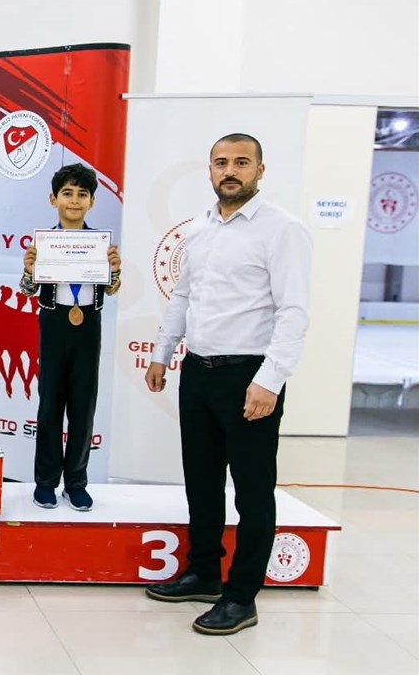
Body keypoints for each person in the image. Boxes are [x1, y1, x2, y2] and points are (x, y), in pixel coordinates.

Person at [144, 133, 311, 636]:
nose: (230, 171)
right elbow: (184, 296)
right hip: (198, 372)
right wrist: (162, 352)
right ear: (210, 170)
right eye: (221, 163)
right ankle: (204, 573)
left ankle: (241, 598)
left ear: (261, 170)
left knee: (253, 492)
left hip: (249, 376)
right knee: (202, 480)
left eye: (241, 162)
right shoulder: (200, 229)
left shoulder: (282, 230)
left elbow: (294, 311)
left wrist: (270, 380)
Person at [18, 163, 121, 511]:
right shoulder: (44, 244)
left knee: (83, 406)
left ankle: (75, 482)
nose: (74, 201)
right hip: (54, 323)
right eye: (67, 193)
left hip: (88, 325)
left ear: (92, 202)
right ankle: (46, 481)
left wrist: (114, 270)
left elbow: (112, 289)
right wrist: (30, 271)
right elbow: (28, 290)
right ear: (54, 200)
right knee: (50, 405)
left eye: (82, 194)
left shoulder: (101, 245)